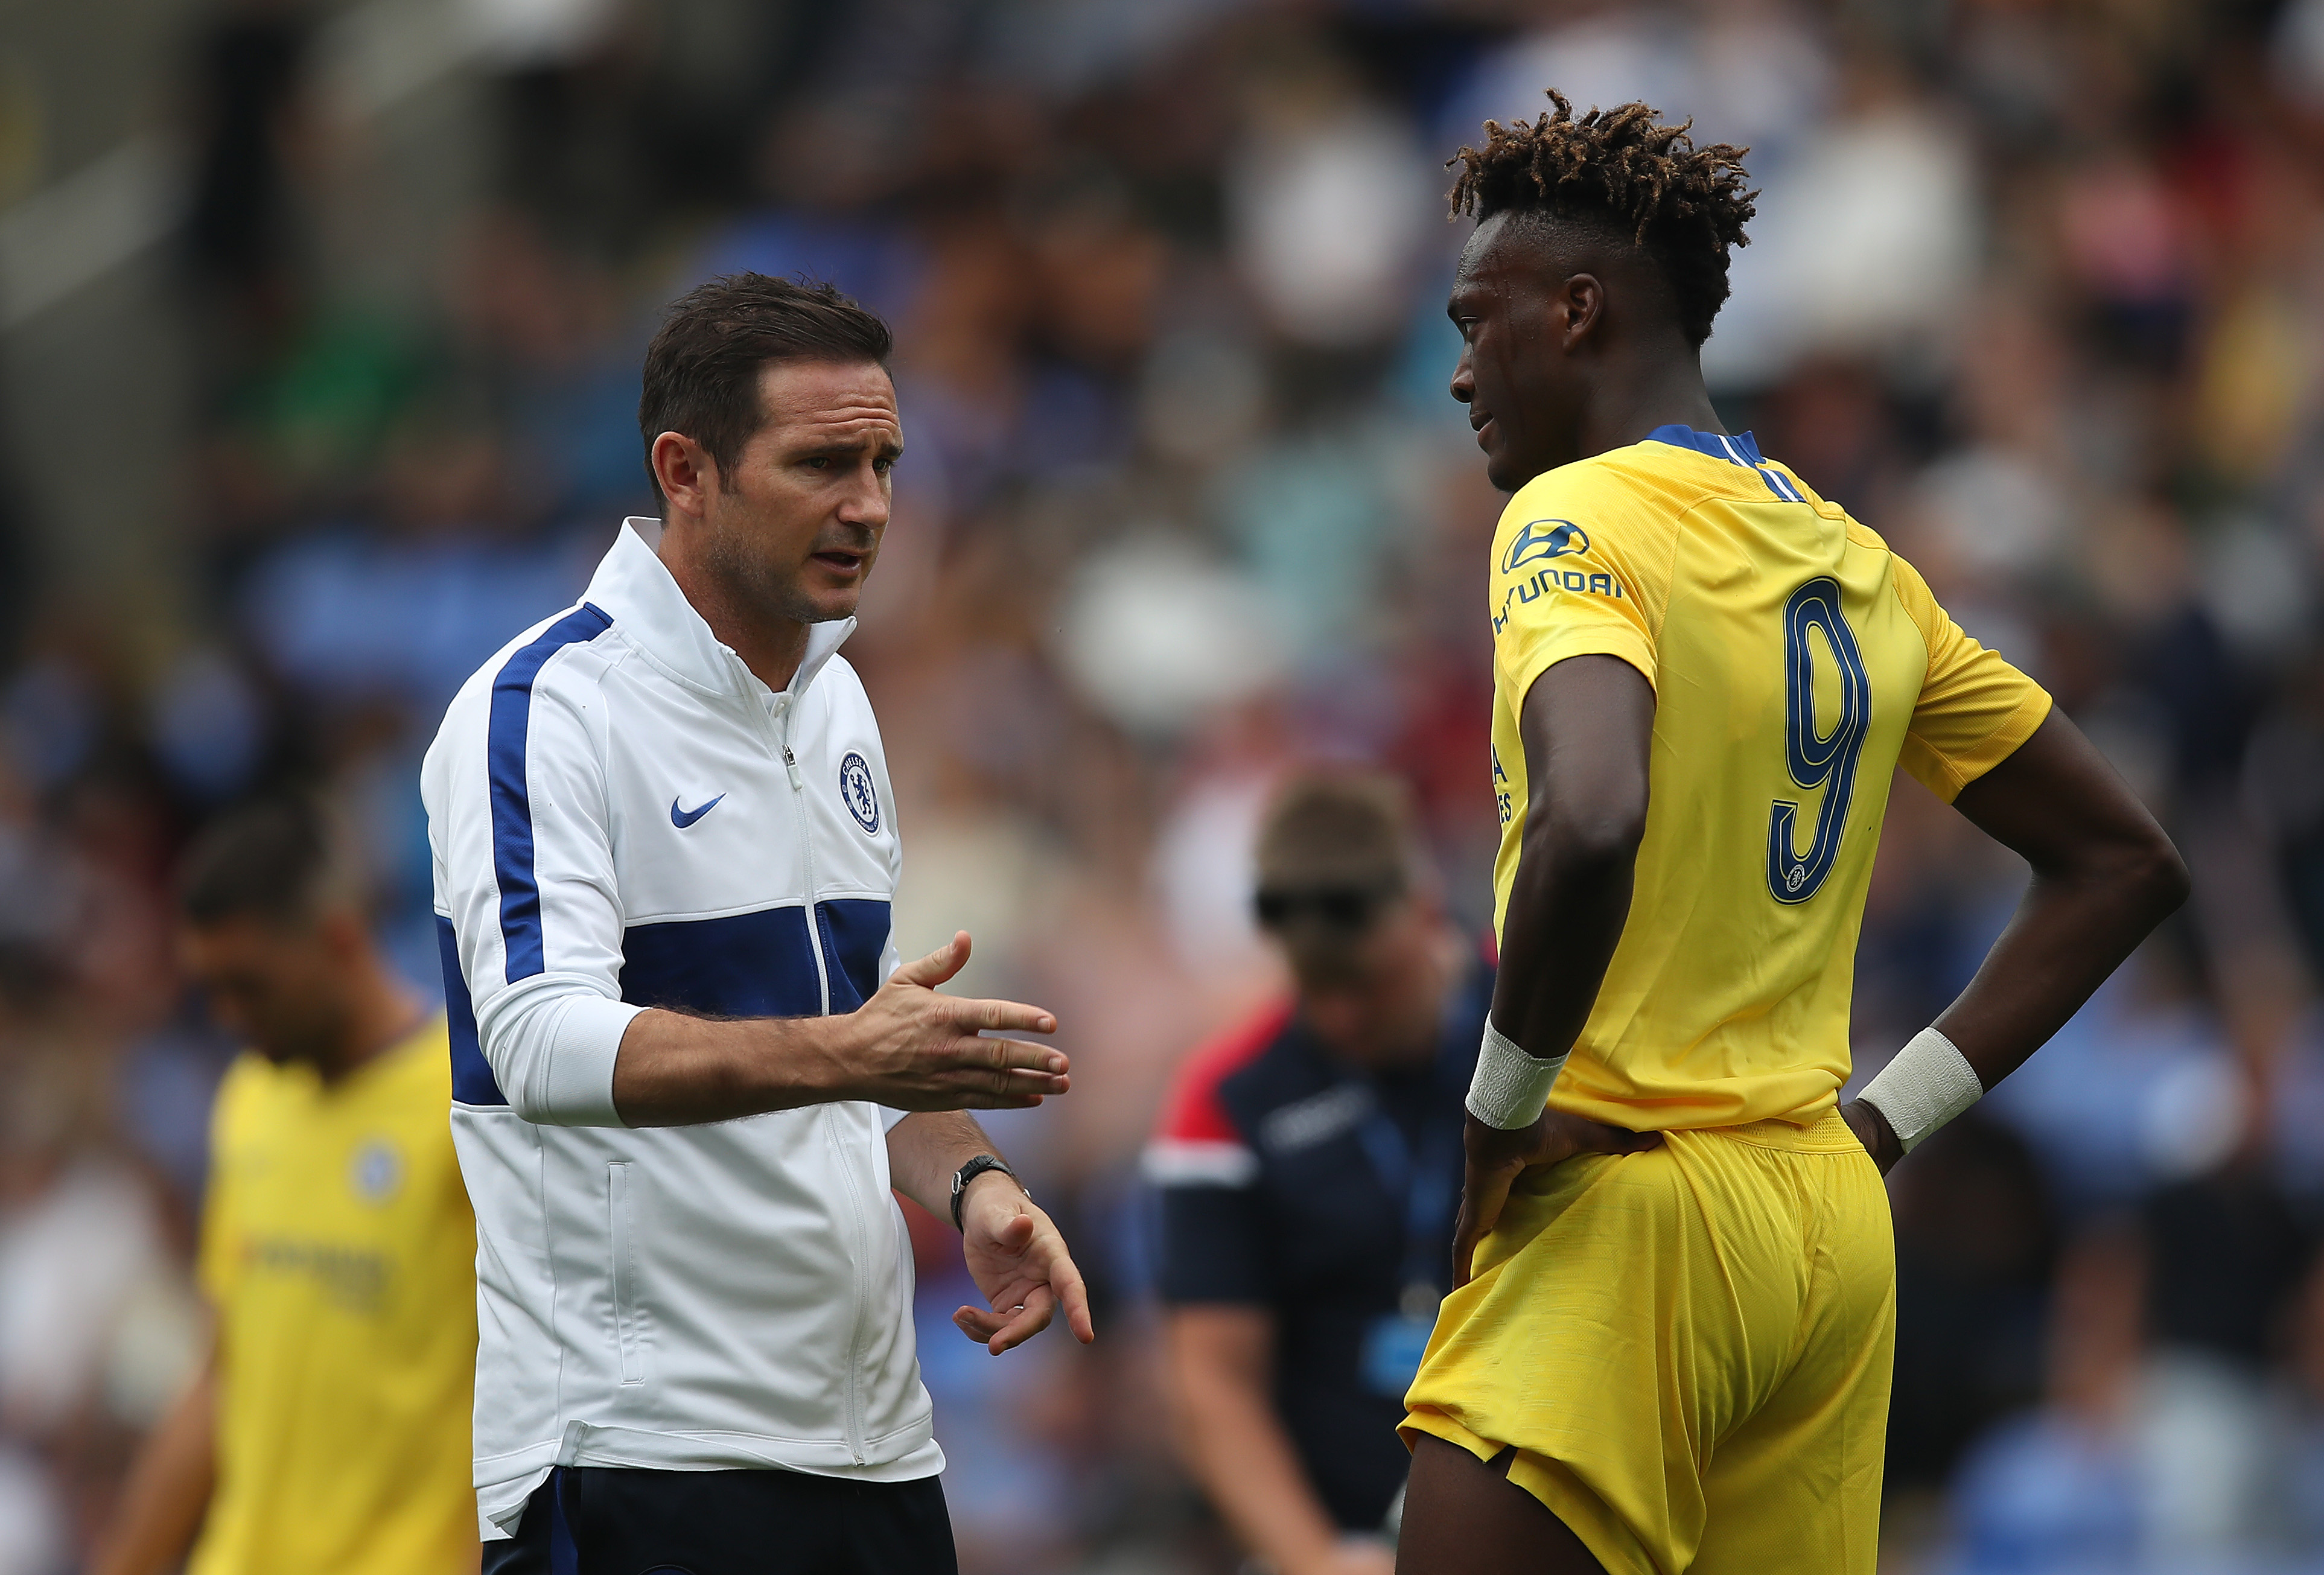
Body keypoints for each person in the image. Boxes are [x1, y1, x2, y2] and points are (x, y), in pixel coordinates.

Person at [1395, 96, 2191, 1575]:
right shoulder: (1859, 561)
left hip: (1629, 1213)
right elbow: (2124, 860)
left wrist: (1496, 1117)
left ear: (1577, 313)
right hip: (1826, 1230)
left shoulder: (1577, 519)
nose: (1457, 375)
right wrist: (1891, 1118)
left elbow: (1591, 817)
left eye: (1474, 322)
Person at [421, 272, 1094, 1575]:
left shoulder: (834, 706)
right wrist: (859, 1058)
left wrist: (973, 1184)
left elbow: (855, 1038)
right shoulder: (542, 711)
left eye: (888, 462)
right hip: (636, 1462)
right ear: (688, 470)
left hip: (875, 1457)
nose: (872, 507)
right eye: (823, 463)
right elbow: (542, 1049)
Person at [95, 798, 479, 1575]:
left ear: (338, 940)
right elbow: (225, 1373)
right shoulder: (251, 1099)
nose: (230, 1016)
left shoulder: (465, 1105)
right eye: (211, 990)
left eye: (249, 985)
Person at [1150, 772, 1486, 1575]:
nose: (1342, 1016)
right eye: (1317, 987)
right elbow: (1213, 1385)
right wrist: (1317, 1559)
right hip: (1339, 1537)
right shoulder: (1225, 1100)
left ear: (1426, 912)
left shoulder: (1545, 1019)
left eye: (1369, 983)